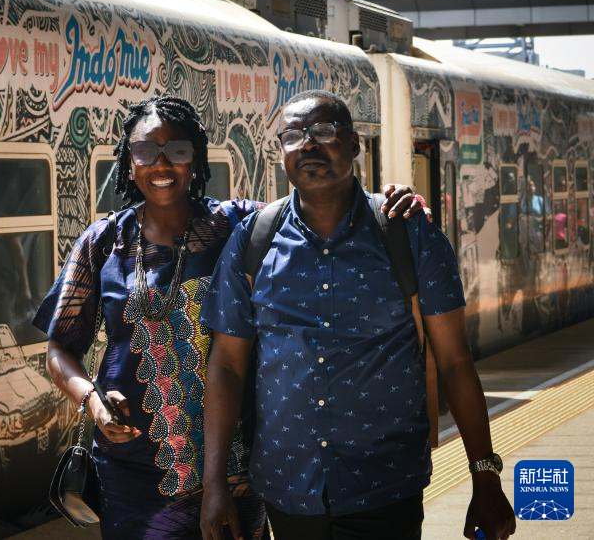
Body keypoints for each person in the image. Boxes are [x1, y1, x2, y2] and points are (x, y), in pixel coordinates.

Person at [33, 95, 425, 539]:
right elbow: (59, 349)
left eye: (177, 150)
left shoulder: (241, 226)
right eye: (145, 151)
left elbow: (319, 209)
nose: (161, 164)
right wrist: (92, 400)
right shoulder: (103, 242)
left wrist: (393, 206)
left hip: (238, 466)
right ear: (128, 161)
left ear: (196, 159)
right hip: (134, 472)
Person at [200, 90, 516, 540]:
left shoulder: (408, 234)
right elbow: (227, 365)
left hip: (385, 486)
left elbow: (455, 362)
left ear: (353, 146)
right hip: (289, 487)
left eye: (323, 131)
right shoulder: (254, 240)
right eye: (293, 136)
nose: (308, 144)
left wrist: (484, 475)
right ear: (281, 152)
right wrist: (214, 482)